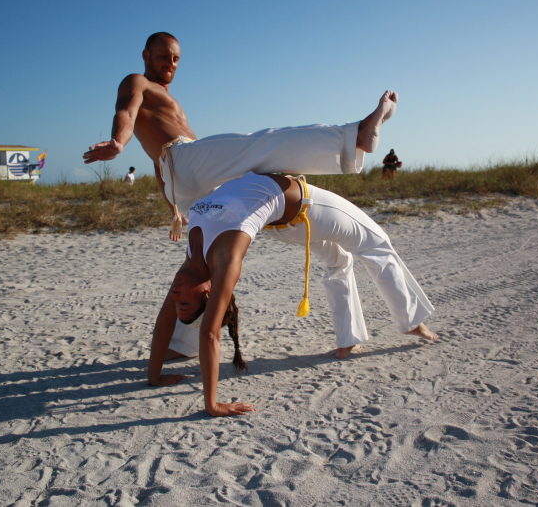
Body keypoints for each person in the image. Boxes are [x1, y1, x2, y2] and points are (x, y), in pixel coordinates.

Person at [146, 172, 438, 417]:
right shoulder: (224, 261)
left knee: (339, 261)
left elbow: (164, 321)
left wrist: (154, 376)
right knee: (377, 244)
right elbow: (210, 333)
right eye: (184, 302)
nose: (174, 295)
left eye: (176, 301)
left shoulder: (190, 267)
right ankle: (411, 321)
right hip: (307, 211)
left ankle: (347, 340)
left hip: (282, 224)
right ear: (208, 292)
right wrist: (211, 404)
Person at [83, 32, 398, 240]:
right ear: (146, 55)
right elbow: (126, 110)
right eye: (164, 56)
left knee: (260, 197)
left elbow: (159, 161)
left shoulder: (168, 102)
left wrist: (175, 208)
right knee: (261, 144)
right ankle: (357, 134)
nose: (170, 63)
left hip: (185, 179)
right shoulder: (137, 81)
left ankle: (327, 241)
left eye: (176, 58)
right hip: (184, 160)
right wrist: (119, 142)